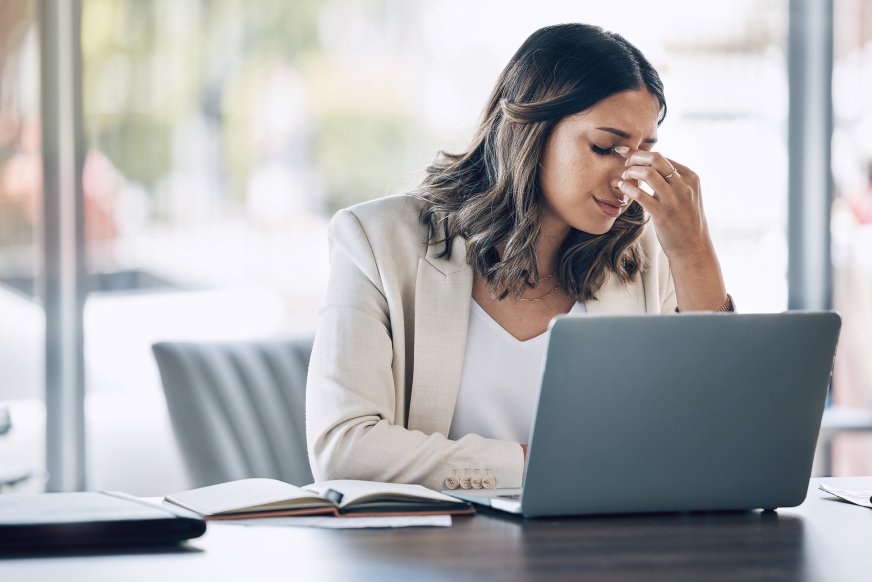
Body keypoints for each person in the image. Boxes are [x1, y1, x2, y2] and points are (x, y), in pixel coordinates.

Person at [306, 23, 733, 492]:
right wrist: (543, 465)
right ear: (524, 130)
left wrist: (695, 254)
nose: (626, 179)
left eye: (643, 153)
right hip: (437, 555)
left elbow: (721, 433)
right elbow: (344, 448)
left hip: (606, 553)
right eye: (606, 148)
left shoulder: (645, 254)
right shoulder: (376, 241)